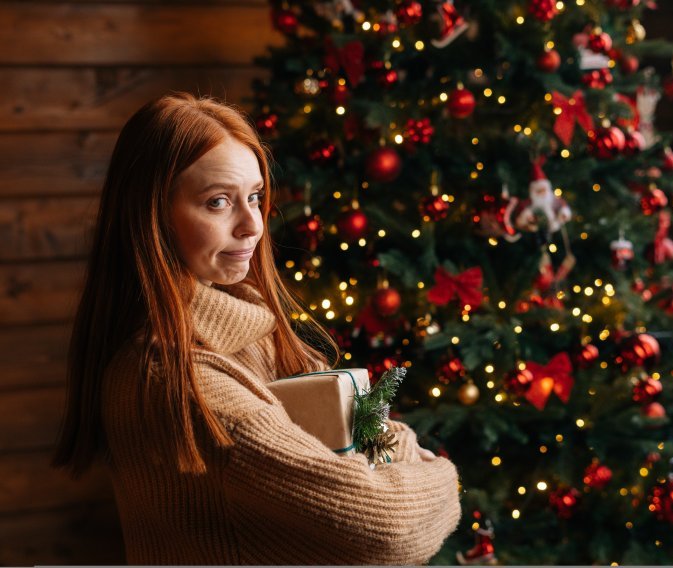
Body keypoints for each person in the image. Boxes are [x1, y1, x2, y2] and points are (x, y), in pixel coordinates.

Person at [52, 92, 462, 565]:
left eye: (255, 197)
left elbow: (373, 430)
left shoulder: (252, 335)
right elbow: (387, 526)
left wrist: (389, 452)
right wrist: (440, 476)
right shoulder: (179, 381)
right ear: (152, 215)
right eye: (218, 201)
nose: (253, 226)